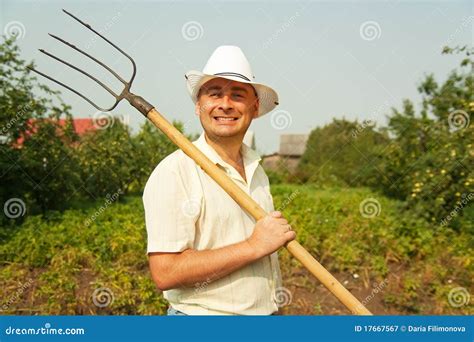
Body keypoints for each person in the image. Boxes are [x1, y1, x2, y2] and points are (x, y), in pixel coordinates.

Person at [143, 46, 296, 315]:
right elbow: (165, 272)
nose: (225, 104)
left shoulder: (256, 168)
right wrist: (253, 246)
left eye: (237, 95)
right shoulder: (174, 171)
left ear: (255, 106)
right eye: (215, 94)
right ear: (199, 106)